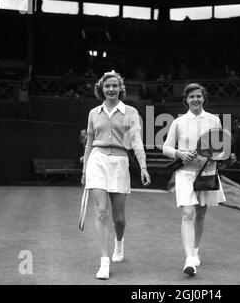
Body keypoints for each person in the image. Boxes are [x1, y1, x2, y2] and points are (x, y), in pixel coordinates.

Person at [81, 70, 151, 279]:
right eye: (107, 86)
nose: (111, 89)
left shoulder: (130, 112)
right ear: (101, 89)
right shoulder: (94, 112)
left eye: (115, 85)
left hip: (120, 163)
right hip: (97, 161)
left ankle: (119, 243)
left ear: (121, 88)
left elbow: (136, 141)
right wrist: (85, 170)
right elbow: (90, 141)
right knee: (101, 212)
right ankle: (104, 262)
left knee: (118, 218)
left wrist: (144, 167)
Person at [163, 83, 227, 276]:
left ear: (203, 98)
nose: (195, 100)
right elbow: (166, 148)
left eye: (198, 96)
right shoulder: (178, 122)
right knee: (188, 213)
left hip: (206, 173)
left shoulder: (214, 121)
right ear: (186, 100)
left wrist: (212, 156)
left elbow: (222, 150)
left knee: (200, 214)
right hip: (185, 174)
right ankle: (189, 258)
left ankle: (196, 250)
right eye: (191, 97)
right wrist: (180, 154)